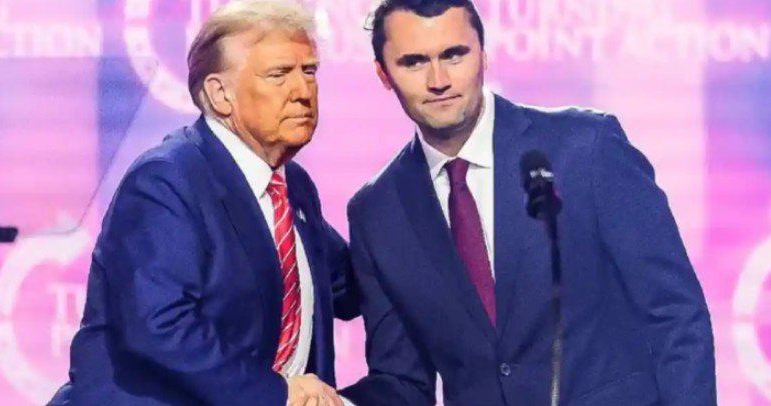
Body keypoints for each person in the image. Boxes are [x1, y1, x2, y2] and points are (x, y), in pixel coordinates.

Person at [339, 0, 716, 405]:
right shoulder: (378, 213)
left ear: (484, 54)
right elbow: (402, 380)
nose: (439, 80)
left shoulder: (586, 148)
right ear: (383, 73)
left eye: (454, 55)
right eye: (414, 62)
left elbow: (674, 314)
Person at [48, 1, 357, 405]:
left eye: (309, 71)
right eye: (279, 74)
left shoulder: (292, 186)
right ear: (220, 94)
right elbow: (159, 325)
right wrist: (276, 393)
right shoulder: (166, 180)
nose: (302, 92)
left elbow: (350, 288)